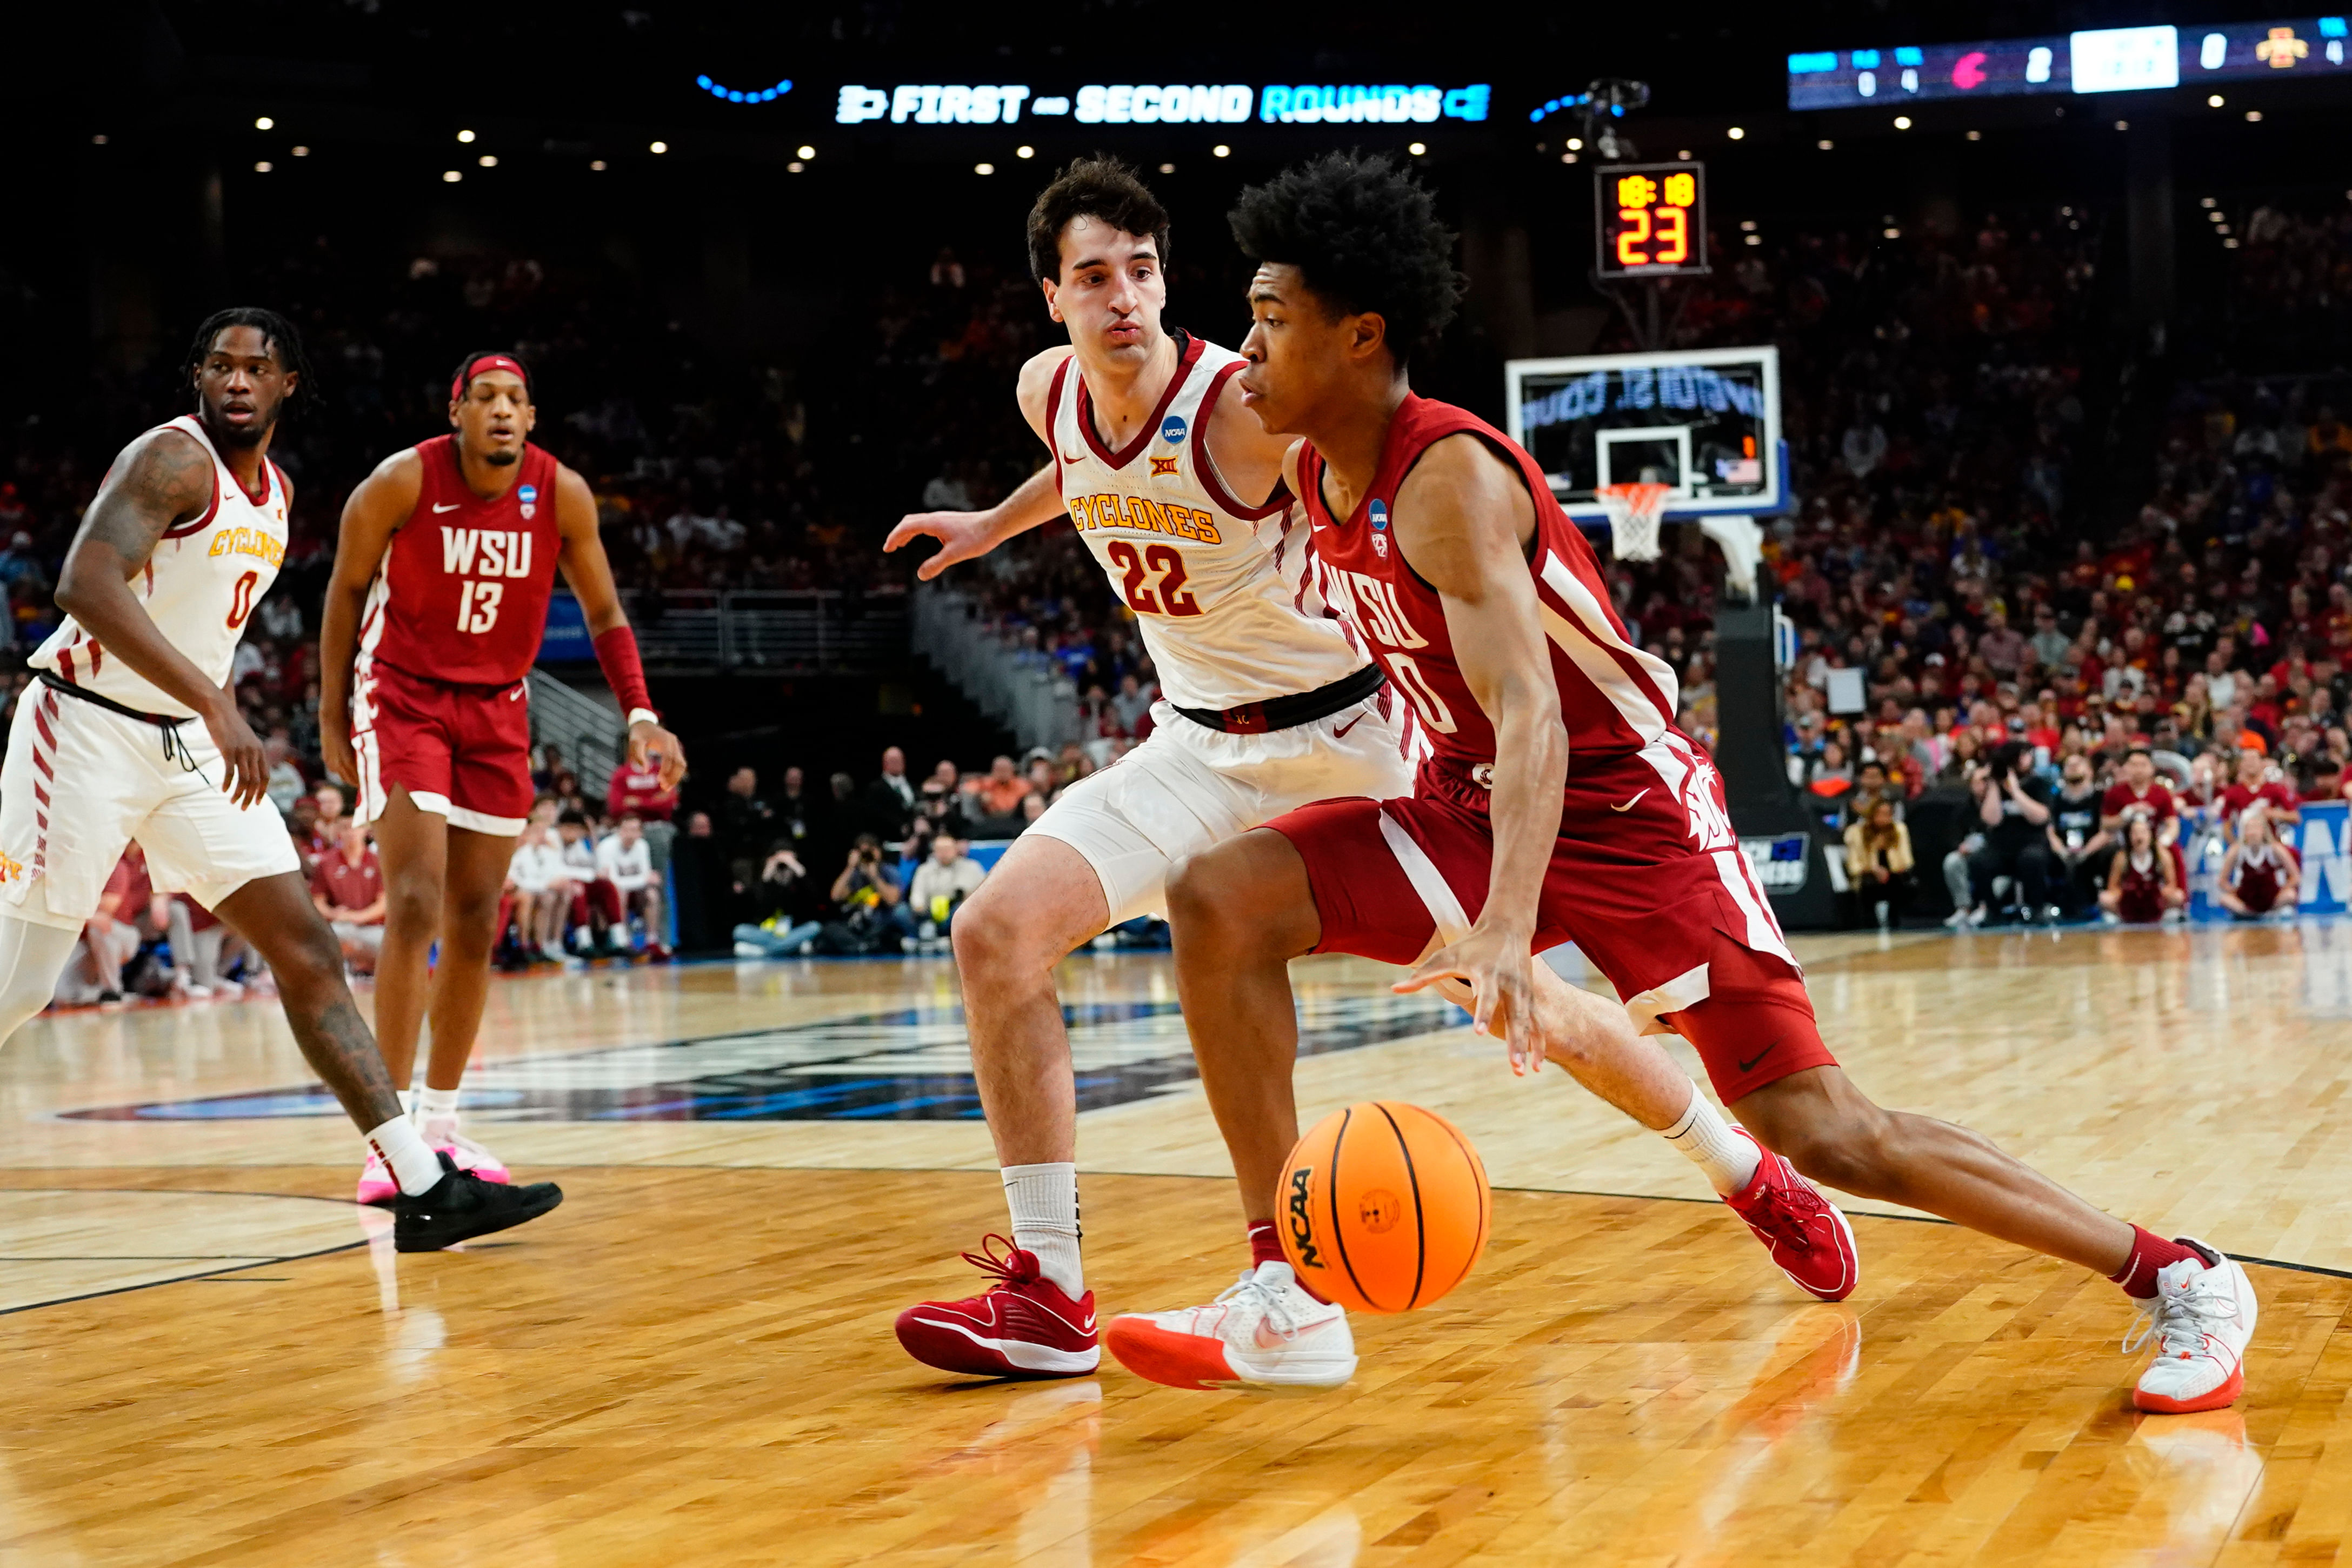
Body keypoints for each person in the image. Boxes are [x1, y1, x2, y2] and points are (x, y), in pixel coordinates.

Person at [1108, 155, 2253, 1415]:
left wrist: (1500, 935)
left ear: (1359, 334)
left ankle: (2179, 1276)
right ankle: (1288, 1292)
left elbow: (1534, 714)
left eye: (1270, 322)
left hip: (1627, 811)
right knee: (1220, 897)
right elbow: (1111, 474)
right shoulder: (1303, 467)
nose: (1245, 353)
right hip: (1464, 800)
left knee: (1825, 1129)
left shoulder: (1444, 481)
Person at [883, 156, 1424, 1379]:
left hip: (1353, 736)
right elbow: (1085, 476)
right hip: (1197, 743)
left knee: (1525, 994)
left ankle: (1738, 1160)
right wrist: (989, 525)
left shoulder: (1239, 402)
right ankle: (1051, 1293)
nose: (1123, 295)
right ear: (1050, 298)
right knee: (992, 934)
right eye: (1093, 276)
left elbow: (1385, 455)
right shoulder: (1046, 395)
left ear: (1166, 279)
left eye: (1141, 270)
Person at [0, 309, 558, 1249]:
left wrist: (208, 711)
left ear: (288, 383)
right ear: (198, 379)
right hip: (86, 727)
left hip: (183, 747)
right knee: (21, 984)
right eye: (218, 366)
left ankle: (423, 1185)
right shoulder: (169, 461)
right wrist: (220, 707)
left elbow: (203, 628)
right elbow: (84, 585)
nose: (236, 383)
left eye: (256, 369)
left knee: (307, 948)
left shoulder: (278, 495)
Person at [319, 348, 687, 1204]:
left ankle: (442, 1125)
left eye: (513, 399)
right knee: (414, 900)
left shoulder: (561, 493)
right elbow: (343, 590)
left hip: (498, 707)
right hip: (401, 698)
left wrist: (638, 711)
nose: (498, 410)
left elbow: (603, 612)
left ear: (531, 418)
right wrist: (330, 714)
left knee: (478, 916)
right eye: (482, 396)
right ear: (456, 410)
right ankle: (390, 1138)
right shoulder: (398, 483)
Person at [310, 819, 387, 975]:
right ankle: (341, 974)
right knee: (329, 937)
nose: (351, 832)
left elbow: (384, 904)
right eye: (346, 828)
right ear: (338, 832)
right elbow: (318, 901)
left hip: (372, 927)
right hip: (341, 926)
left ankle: (371, 969)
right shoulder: (326, 863)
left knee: (387, 942)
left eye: (356, 827)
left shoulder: (379, 862)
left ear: (366, 831)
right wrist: (333, 914)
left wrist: (357, 917)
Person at [2046, 752, 2113, 917]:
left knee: (2111, 852)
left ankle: (2107, 904)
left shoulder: (2101, 797)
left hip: (2093, 849)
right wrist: (2062, 851)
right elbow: (2050, 831)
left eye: (2079, 764)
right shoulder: (2055, 799)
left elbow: (2107, 831)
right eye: (2069, 765)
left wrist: (2085, 852)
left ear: (2090, 772)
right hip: (2063, 851)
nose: (2074, 767)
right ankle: (2048, 906)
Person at [594, 810, 667, 958]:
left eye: (634, 830)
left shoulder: (642, 846)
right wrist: (644, 880)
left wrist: (645, 880)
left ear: (640, 833)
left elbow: (646, 876)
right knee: (620, 893)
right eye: (626, 830)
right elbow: (613, 882)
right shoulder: (607, 847)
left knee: (652, 895)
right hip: (606, 895)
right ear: (619, 831)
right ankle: (623, 941)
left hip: (633, 892)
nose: (630, 835)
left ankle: (652, 941)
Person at [2217, 806, 2300, 918]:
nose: (2253, 833)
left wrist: (2284, 888)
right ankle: (2250, 914)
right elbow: (2222, 880)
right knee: (2225, 900)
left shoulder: (2275, 849)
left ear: (2264, 830)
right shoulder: (2237, 850)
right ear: (2244, 832)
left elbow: (2296, 876)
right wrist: (2233, 891)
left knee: (2290, 895)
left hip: (2271, 898)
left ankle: (2270, 912)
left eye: (2256, 828)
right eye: (2249, 829)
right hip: (2247, 899)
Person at [907, 832, 987, 948]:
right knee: (903, 912)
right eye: (940, 850)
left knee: (961, 910)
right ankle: (924, 937)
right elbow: (917, 895)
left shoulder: (973, 867)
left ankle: (950, 939)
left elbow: (984, 894)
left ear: (956, 849)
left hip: (957, 913)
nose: (944, 853)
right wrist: (920, 908)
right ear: (933, 851)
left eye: (947, 849)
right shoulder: (923, 870)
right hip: (928, 914)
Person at [1842, 800, 1914, 929]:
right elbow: (1853, 865)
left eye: (1887, 814)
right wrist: (1873, 869)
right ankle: (1870, 924)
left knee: (1900, 882)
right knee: (1868, 883)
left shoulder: (1899, 830)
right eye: (1880, 814)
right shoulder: (1857, 832)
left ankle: (1896, 922)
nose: (1884, 818)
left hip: (1893, 875)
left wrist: (1890, 872)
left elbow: (1907, 861)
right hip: (1868, 876)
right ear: (1871, 815)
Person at [2102, 813, 2185, 923]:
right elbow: (2112, 887)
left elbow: (2171, 884)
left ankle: (2164, 914)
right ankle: (2121, 915)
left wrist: (2155, 891)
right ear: (2130, 836)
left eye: (2143, 832)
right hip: (2130, 899)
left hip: (2154, 898)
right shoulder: (2123, 857)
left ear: (2150, 835)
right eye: (2135, 833)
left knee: (2178, 896)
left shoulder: (2162, 855)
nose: (2139, 837)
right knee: (2105, 898)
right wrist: (2128, 891)